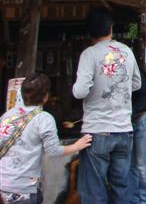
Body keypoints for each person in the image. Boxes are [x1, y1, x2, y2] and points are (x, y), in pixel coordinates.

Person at [72, 9, 141, 204]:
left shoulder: (89, 54)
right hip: (124, 130)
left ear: (89, 32)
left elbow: (79, 92)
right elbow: (137, 84)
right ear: (111, 28)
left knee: (94, 190)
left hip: (97, 130)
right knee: (121, 187)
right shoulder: (126, 52)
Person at [0, 73, 92, 203]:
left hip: (3, 185)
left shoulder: (7, 116)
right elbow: (53, 151)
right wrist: (77, 146)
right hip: (24, 188)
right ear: (45, 97)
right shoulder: (44, 118)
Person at [123, 55, 146, 204]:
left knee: (144, 166)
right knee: (131, 166)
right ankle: (134, 200)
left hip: (142, 119)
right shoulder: (133, 70)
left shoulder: (135, 73)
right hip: (132, 121)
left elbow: (140, 101)